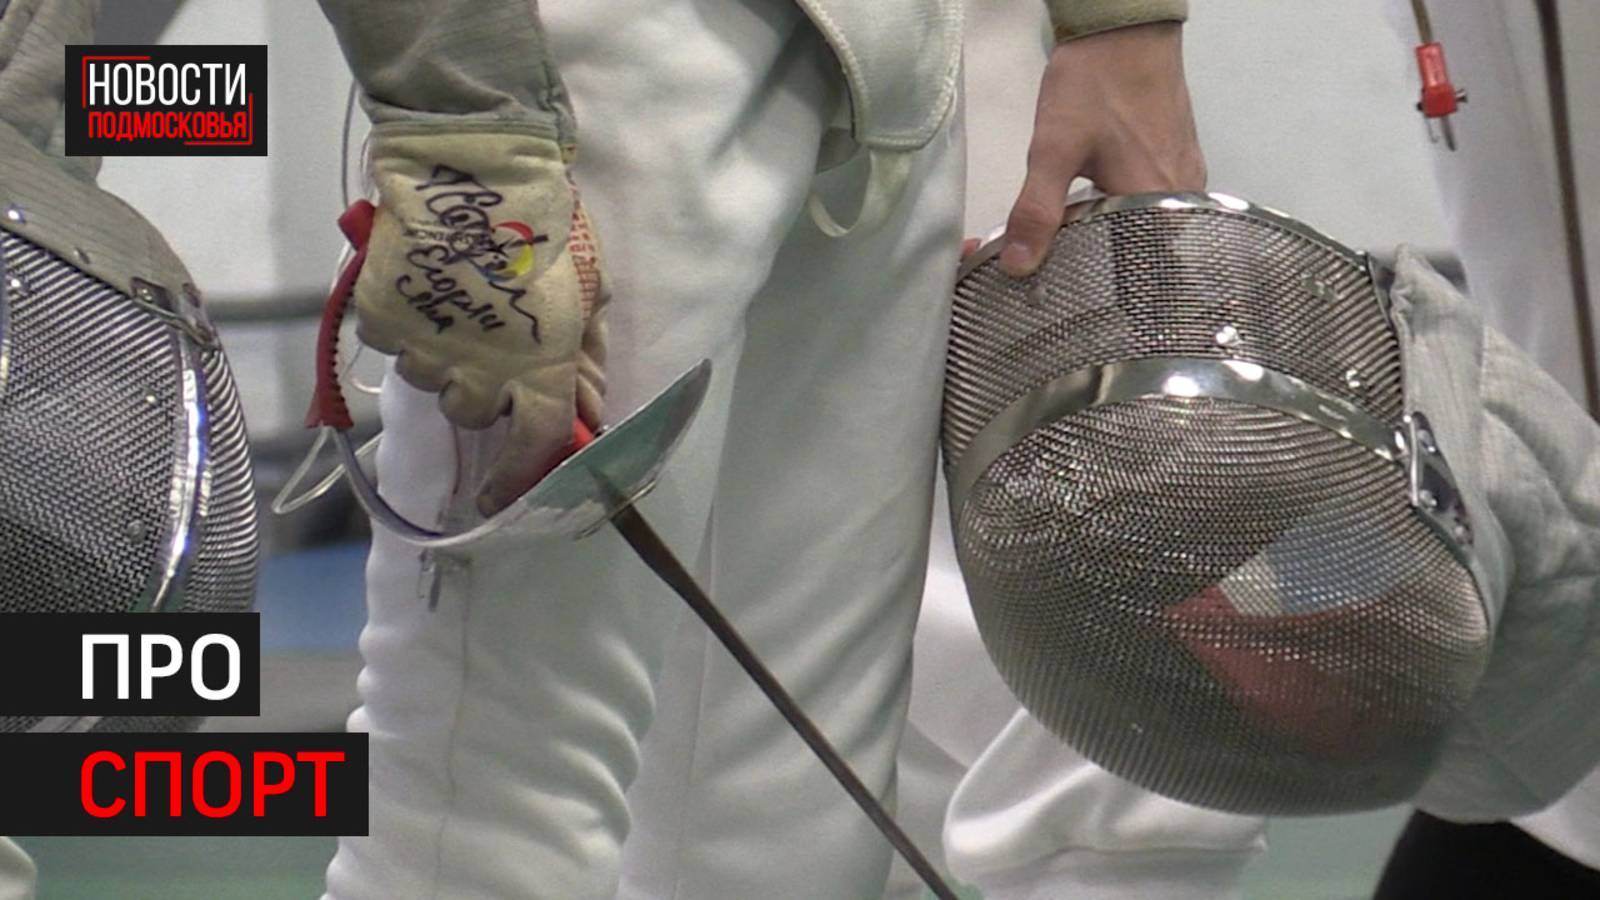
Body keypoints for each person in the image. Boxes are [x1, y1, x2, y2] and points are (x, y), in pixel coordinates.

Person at [313, 1, 1205, 898]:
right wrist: (466, 124)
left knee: (790, 828)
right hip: (575, 79)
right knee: (493, 804)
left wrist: (1122, 24)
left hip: (900, 65)